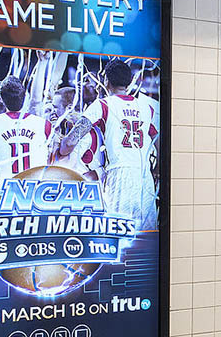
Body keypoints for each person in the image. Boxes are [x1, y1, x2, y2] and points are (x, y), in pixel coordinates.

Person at [58, 59, 159, 230]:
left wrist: (62, 147)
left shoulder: (103, 104)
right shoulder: (147, 107)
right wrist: (155, 171)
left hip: (119, 175)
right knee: (146, 238)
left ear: (106, 81)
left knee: (119, 236)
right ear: (128, 81)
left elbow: (69, 142)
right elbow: (158, 142)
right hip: (145, 178)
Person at [0, 76, 53, 185]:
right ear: (24, 97)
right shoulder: (44, 124)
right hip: (36, 190)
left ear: (2, 99)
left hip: (6, 190)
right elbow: (51, 161)